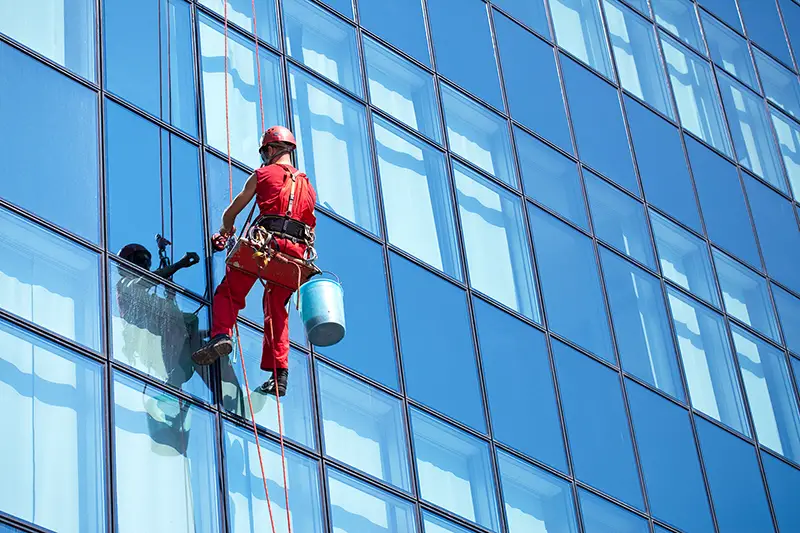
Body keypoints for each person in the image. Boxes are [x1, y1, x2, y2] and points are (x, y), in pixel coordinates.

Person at [191, 126, 317, 397]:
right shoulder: (308, 187)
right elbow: (309, 223)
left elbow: (232, 211)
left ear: (271, 150)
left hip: (265, 245)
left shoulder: (262, 174)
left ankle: (221, 335)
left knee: (230, 292)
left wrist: (226, 230)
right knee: (276, 309)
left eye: (265, 151)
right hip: (294, 256)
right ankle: (279, 374)